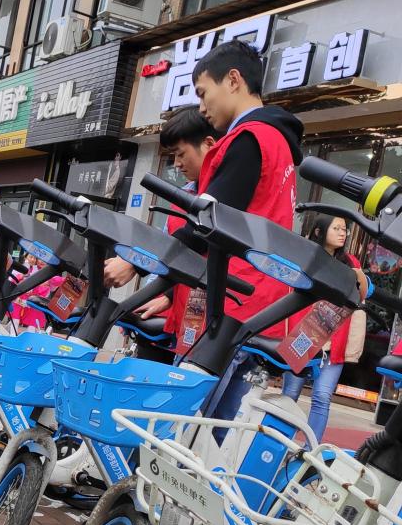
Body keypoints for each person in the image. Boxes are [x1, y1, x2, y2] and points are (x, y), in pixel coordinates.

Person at [175, 38, 304, 425]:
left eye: (203, 93)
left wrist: (137, 261)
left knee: (185, 424)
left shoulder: (250, 139)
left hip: (231, 302)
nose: (202, 107)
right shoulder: (278, 142)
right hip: (259, 304)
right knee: (216, 425)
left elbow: (209, 221)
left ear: (233, 80)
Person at [104, 106, 218, 296]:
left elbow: (194, 238)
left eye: (181, 154)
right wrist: (154, 297)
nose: (177, 163)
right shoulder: (184, 195)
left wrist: (134, 262)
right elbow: (168, 245)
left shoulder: (229, 197)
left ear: (209, 144)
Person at [282, 215, 366, 440]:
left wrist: (359, 276)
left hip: (334, 338)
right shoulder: (306, 254)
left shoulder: (351, 263)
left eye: (345, 229)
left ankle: (311, 449)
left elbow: (361, 297)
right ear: (319, 231)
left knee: (322, 397)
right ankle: (277, 441)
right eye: (336, 228)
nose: (343, 233)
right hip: (303, 334)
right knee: (290, 393)